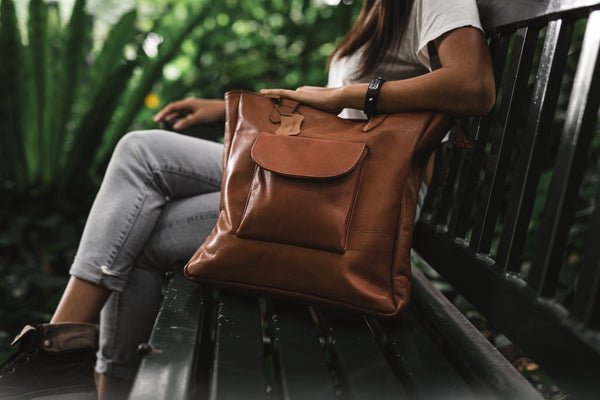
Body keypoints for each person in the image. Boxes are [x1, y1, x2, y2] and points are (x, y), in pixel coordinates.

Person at [0, 0, 495, 399]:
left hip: (358, 205)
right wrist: (226, 110)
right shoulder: (378, 12)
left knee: (141, 156)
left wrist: (347, 94)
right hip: (323, 182)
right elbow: (330, 116)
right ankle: (76, 366)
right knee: (141, 220)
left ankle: (59, 352)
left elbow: (473, 84)